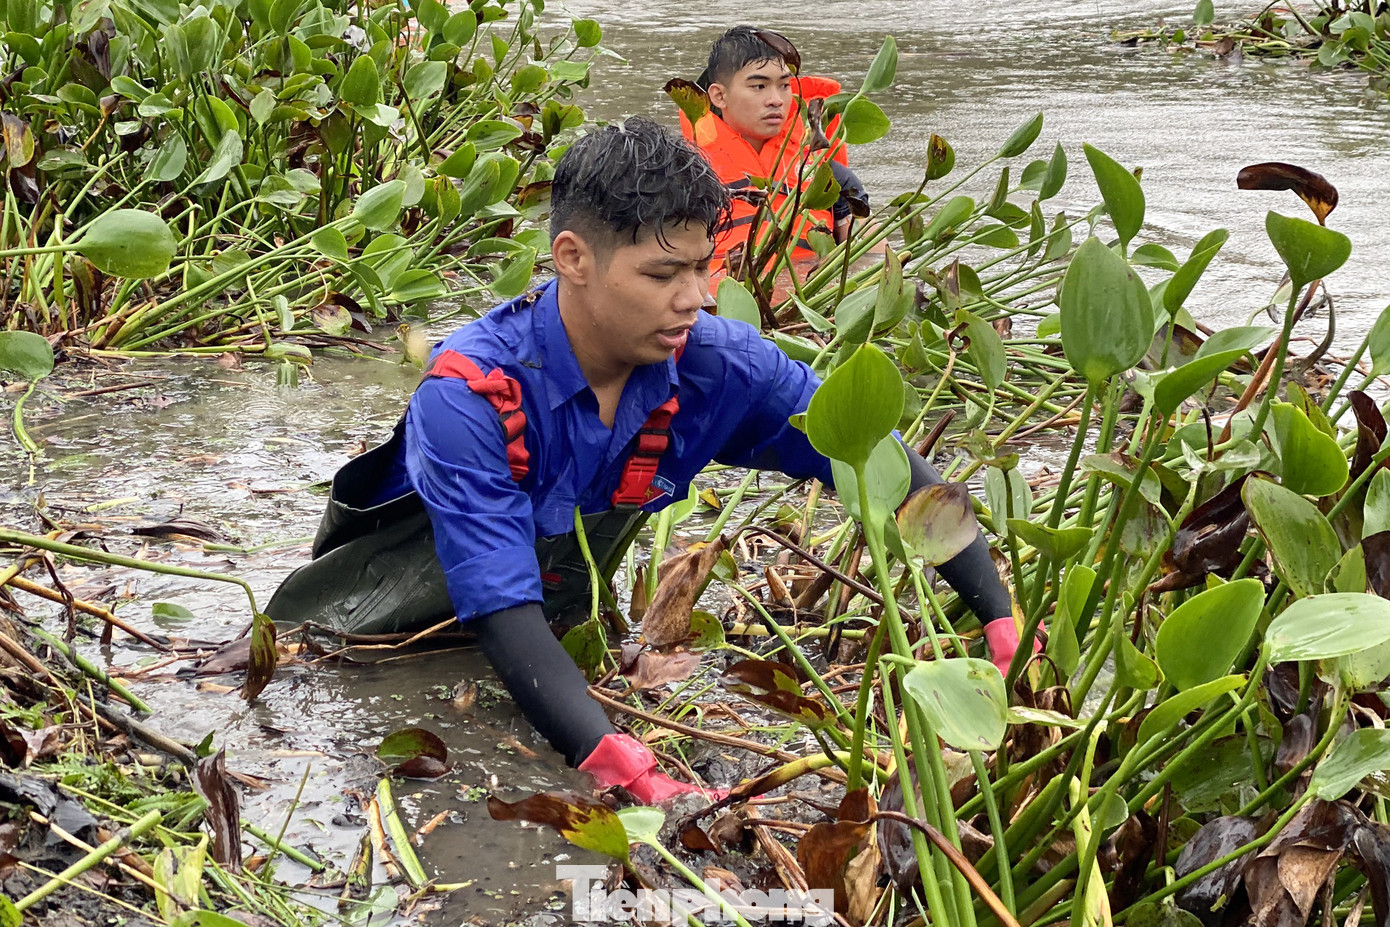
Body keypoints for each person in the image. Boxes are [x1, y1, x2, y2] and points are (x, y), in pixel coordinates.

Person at [266, 118, 1029, 804]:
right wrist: (626, 766)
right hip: (360, 637)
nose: (695, 297)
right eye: (664, 274)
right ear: (573, 258)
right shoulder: (470, 394)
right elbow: (499, 607)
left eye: (702, 267)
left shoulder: (719, 366)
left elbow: (872, 458)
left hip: (547, 632)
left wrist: (998, 615)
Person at [678, 26, 868, 279]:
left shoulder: (829, 177)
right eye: (759, 86)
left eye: (785, 85)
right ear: (719, 96)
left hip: (805, 298)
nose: (776, 100)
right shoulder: (679, 176)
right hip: (713, 300)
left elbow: (873, 258)